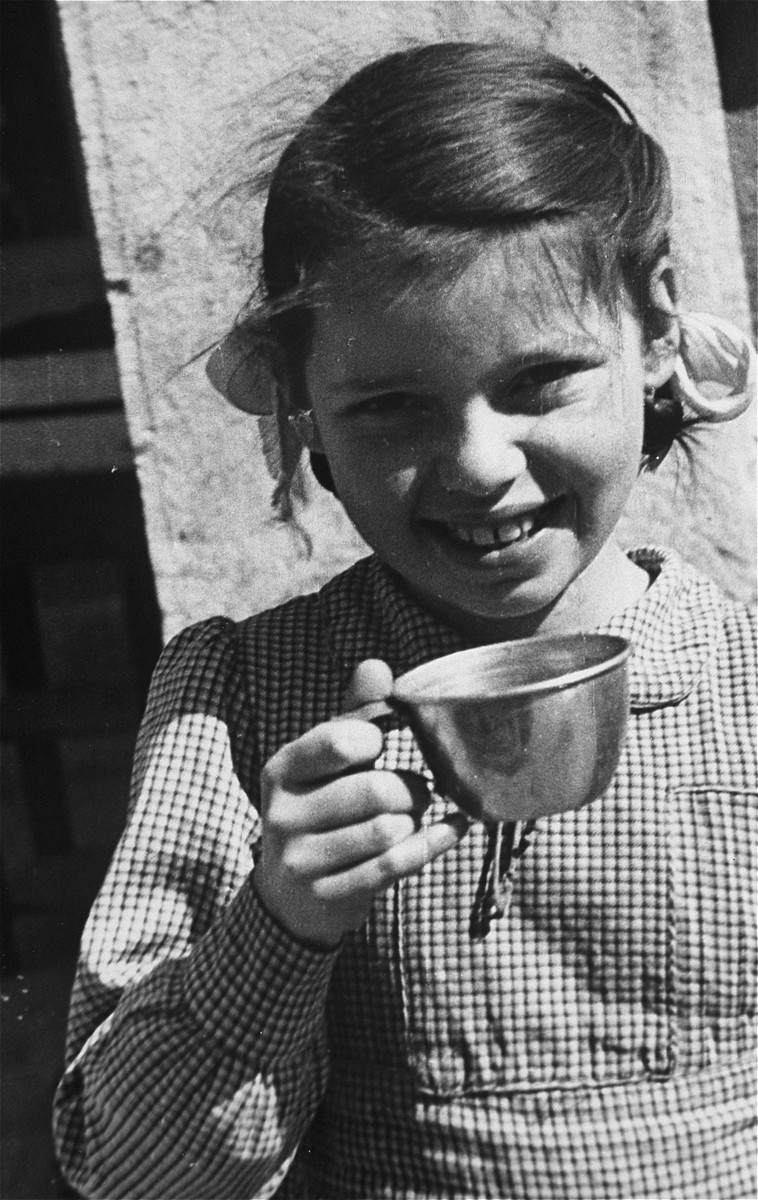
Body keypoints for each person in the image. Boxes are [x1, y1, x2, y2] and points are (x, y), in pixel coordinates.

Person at [53, 42, 756, 1200]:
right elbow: (128, 1173)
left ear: (655, 332)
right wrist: (280, 923)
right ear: (303, 408)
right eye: (390, 405)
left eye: (538, 381)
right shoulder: (244, 712)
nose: (478, 467)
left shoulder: (739, 682)